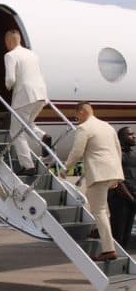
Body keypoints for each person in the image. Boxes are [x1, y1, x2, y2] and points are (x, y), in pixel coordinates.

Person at [60, 102, 124, 261]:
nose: (76, 119)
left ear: (82, 112)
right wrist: (116, 174)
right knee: (101, 205)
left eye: (76, 116)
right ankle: (99, 229)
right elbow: (117, 150)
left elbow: (77, 152)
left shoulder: (84, 128)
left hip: (98, 173)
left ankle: (108, 250)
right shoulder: (107, 126)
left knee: (99, 210)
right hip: (112, 171)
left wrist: (65, 169)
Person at [4, 29, 52, 176]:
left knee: (16, 133)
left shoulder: (10, 55)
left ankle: (28, 166)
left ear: (10, 41)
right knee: (28, 124)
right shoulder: (32, 54)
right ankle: (43, 137)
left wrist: (8, 87)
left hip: (24, 97)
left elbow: (11, 79)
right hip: (40, 95)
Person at [108, 127, 136, 248]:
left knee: (126, 237)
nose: (134, 136)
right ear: (120, 138)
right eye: (130, 134)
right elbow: (117, 181)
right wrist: (132, 199)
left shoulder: (132, 155)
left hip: (131, 200)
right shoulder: (116, 155)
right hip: (119, 200)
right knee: (118, 235)